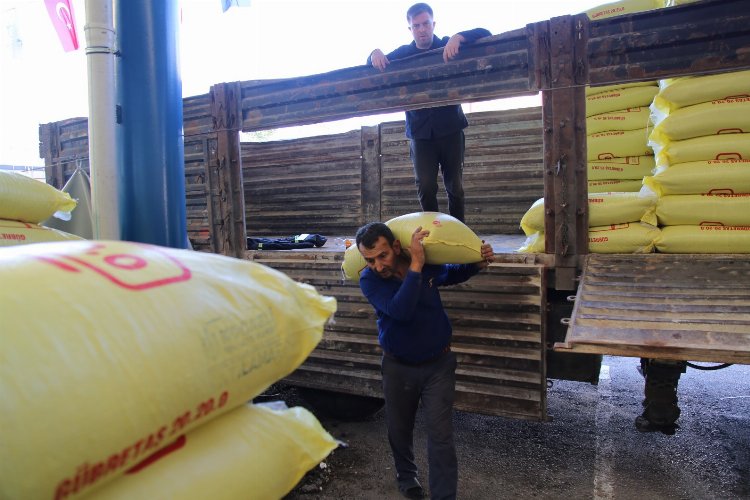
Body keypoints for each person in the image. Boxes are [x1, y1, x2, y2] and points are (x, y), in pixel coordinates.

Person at [355, 221, 495, 500]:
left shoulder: (423, 264)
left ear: (396, 247)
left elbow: (449, 274)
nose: (377, 265)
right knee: (400, 428)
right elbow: (400, 310)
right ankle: (407, 477)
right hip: (398, 367)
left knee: (441, 437)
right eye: (369, 260)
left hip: (438, 365)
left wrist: (477, 263)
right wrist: (416, 267)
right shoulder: (369, 280)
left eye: (382, 256)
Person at [367, 3, 491, 223]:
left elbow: (486, 34)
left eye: (426, 24)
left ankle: (458, 233)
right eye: (416, 26)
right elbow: (373, 64)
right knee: (425, 186)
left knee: (455, 186)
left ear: (433, 24)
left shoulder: (447, 44)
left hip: (451, 128)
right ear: (410, 29)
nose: (422, 29)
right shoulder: (403, 54)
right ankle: (434, 233)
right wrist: (373, 53)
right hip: (420, 133)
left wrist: (459, 37)